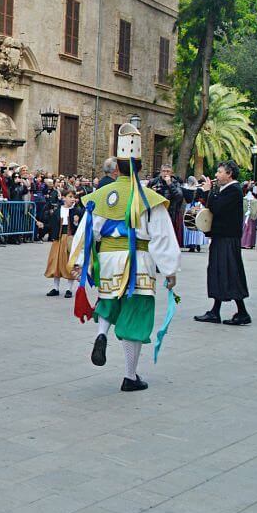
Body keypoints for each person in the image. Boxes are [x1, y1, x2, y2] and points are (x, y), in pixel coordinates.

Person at [71, 123, 180, 392]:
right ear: (141, 167)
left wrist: (78, 261)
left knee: (108, 301)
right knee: (136, 314)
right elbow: (162, 237)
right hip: (138, 263)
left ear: (116, 167)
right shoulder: (149, 198)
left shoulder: (100, 195)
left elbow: (88, 231)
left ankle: (101, 334)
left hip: (108, 260)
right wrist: (170, 269)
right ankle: (130, 377)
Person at [194, 160, 251, 325]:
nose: (216, 175)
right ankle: (216, 311)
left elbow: (216, 208)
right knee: (220, 271)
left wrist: (207, 192)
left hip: (227, 239)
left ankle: (241, 312)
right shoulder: (227, 189)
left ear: (229, 174)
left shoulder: (234, 190)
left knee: (229, 272)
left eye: (219, 172)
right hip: (222, 237)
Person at [44, 188, 83, 297]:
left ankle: (69, 289)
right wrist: (44, 226)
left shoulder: (77, 211)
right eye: (70, 197)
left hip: (70, 239)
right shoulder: (58, 210)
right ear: (63, 198)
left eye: (74, 197)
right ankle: (55, 288)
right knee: (55, 262)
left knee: (69, 263)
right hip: (58, 239)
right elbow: (52, 225)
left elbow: (80, 228)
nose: (73, 199)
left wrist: (75, 222)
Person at [148, 164, 184, 245]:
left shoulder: (175, 183)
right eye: (163, 171)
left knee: (167, 238)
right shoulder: (153, 182)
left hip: (170, 214)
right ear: (160, 172)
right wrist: (151, 192)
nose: (165, 173)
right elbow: (144, 196)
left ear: (171, 173)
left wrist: (170, 184)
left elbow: (179, 196)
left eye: (168, 171)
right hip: (155, 213)